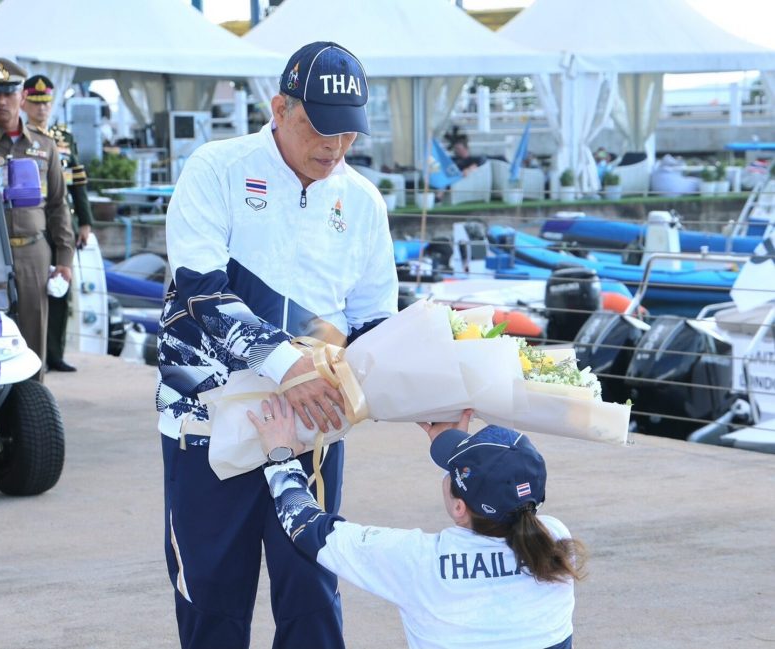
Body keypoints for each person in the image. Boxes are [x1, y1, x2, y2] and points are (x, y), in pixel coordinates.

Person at [157, 41, 398, 648]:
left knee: (313, 593)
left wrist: (425, 385)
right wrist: (289, 363)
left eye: (348, 133)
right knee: (211, 595)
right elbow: (200, 293)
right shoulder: (215, 169)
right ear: (280, 107)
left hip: (314, 423)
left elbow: (373, 321)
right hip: (206, 421)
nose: (334, 147)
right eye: (319, 127)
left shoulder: (364, 201)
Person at [251, 399, 586, 649]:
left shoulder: (417, 561)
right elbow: (490, 500)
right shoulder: (555, 541)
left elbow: (307, 526)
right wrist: (456, 455)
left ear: (458, 507)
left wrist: (281, 456)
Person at [0, 58, 74, 381]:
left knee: (33, 337)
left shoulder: (44, 146)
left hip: (34, 254)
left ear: (21, 98)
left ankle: (34, 410)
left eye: (9, 93)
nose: (2, 101)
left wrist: (64, 257)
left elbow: (57, 207)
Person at [21, 73, 94, 373]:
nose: (42, 109)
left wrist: (86, 222)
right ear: (25, 103)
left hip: (63, 224)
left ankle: (55, 353)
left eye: (46, 103)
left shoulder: (63, 139)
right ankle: (31, 354)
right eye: (36, 103)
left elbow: (78, 184)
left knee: (61, 288)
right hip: (31, 224)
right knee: (31, 291)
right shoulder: (19, 137)